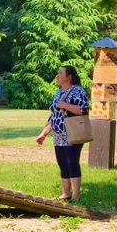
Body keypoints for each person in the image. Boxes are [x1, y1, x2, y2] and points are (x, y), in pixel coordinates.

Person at [35, 65, 90, 202]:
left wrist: (64, 105)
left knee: (72, 162)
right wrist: (44, 133)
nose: (57, 76)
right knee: (62, 163)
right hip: (58, 135)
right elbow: (54, 115)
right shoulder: (59, 92)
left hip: (72, 133)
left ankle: (76, 195)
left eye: (60, 73)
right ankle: (66, 193)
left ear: (69, 77)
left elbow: (83, 109)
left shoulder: (77, 91)